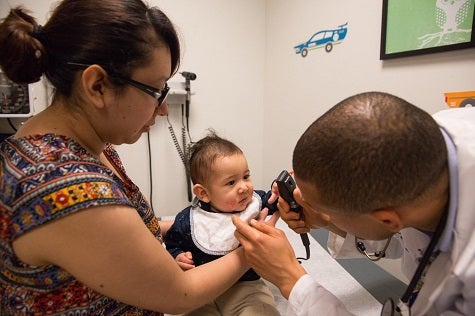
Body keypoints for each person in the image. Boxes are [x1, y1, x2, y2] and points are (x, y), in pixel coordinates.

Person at [0, 1, 252, 314]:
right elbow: (180, 294)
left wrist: (200, 221)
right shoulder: (62, 188)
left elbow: (124, 231)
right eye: (157, 90)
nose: (162, 109)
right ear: (98, 86)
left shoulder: (86, 147)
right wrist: (254, 249)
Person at [233, 91, 475, 315]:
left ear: (388, 219)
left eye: (321, 208)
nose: (308, 207)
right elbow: (404, 237)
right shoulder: (427, 142)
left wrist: (289, 277)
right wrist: (329, 221)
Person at [165, 130, 280, 316]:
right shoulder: (187, 221)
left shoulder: (254, 204)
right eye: (231, 183)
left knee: (262, 310)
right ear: (203, 193)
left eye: (246, 176)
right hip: (203, 291)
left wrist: (279, 193)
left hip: (246, 286)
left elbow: (272, 203)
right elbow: (172, 243)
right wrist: (178, 256)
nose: (243, 187)